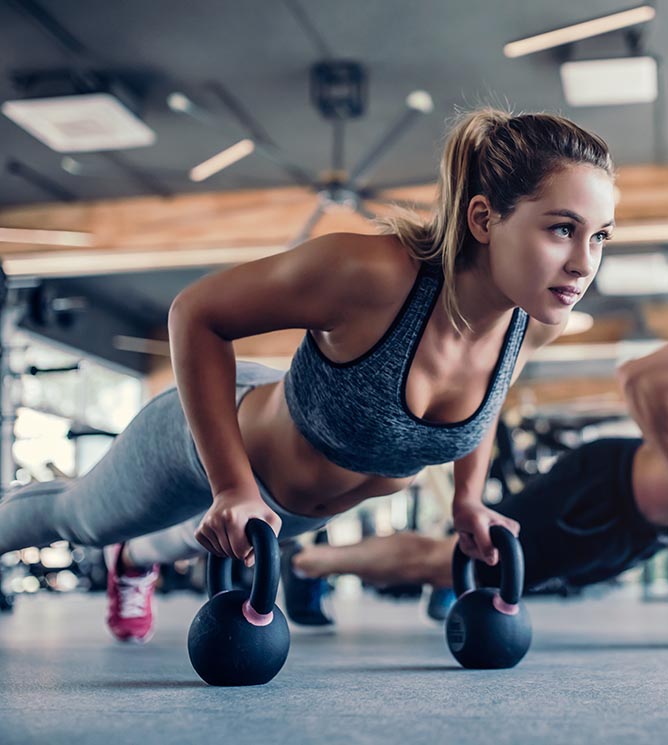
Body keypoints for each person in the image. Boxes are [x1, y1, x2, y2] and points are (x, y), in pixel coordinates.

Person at [0, 107, 617, 642]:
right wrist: (231, 487)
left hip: (289, 513)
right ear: (484, 220)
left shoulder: (536, 322)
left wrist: (467, 500)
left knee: (185, 536)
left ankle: (133, 560)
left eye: (601, 237)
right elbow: (197, 313)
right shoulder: (370, 274)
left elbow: (485, 405)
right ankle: (124, 544)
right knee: (81, 518)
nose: (584, 263)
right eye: (562, 229)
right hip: (209, 446)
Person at [281, 337, 668, 621]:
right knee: (448, 561)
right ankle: (307, 561)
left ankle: (451, 587)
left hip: (643, 534)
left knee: (475, 573)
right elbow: (643, 378)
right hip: (601, 491)